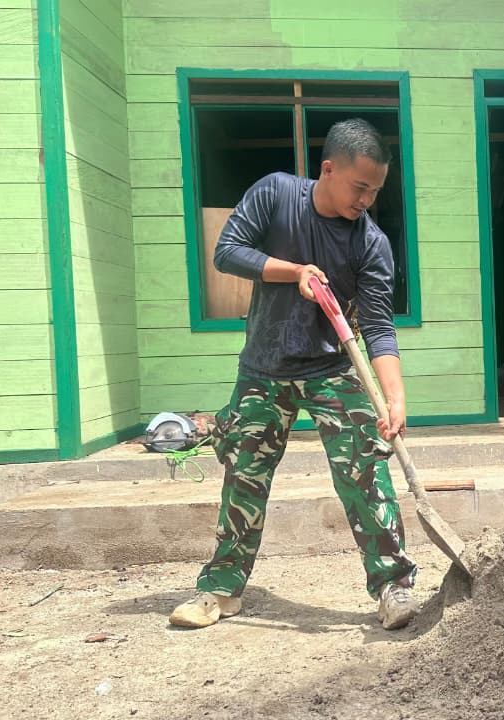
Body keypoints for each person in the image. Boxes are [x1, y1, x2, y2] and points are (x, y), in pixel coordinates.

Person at [169, 118, 418, 631]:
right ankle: (220, 589)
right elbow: (227, 251)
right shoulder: (276, 194)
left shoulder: (370, 244)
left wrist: (394, 399)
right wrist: (296, 271)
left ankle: (393, 585)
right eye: (360, 187)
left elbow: (378, 328)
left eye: (375, 190)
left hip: (331, 368)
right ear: (328, 169)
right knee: (245, 477)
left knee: (365, 472)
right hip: (263, 368)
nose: (366, 200)